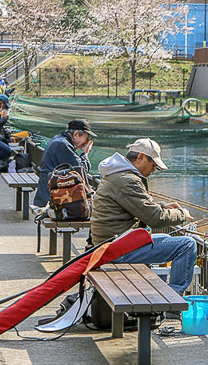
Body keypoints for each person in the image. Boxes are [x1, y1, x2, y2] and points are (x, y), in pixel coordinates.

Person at [91, 138, 196, 296]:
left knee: (166, 237)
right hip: (116, 249)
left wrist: (163, 205)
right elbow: (155, 219)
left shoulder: (117, 174)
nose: (153, 170)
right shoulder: (128, 180)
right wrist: (182, 214)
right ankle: (173, 300)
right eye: (153, 165)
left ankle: (162, 294)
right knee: (186, 245)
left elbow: (135, 205)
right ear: (140, 157)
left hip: (110, 244)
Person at [33, 119, 96, 208]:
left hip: (46, 190)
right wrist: (85, 153)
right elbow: (81, 170)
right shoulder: (63, 145)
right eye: (86, 137)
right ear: (76, 134)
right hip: (50, 197)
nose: (87, 142)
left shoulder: (58, 139)